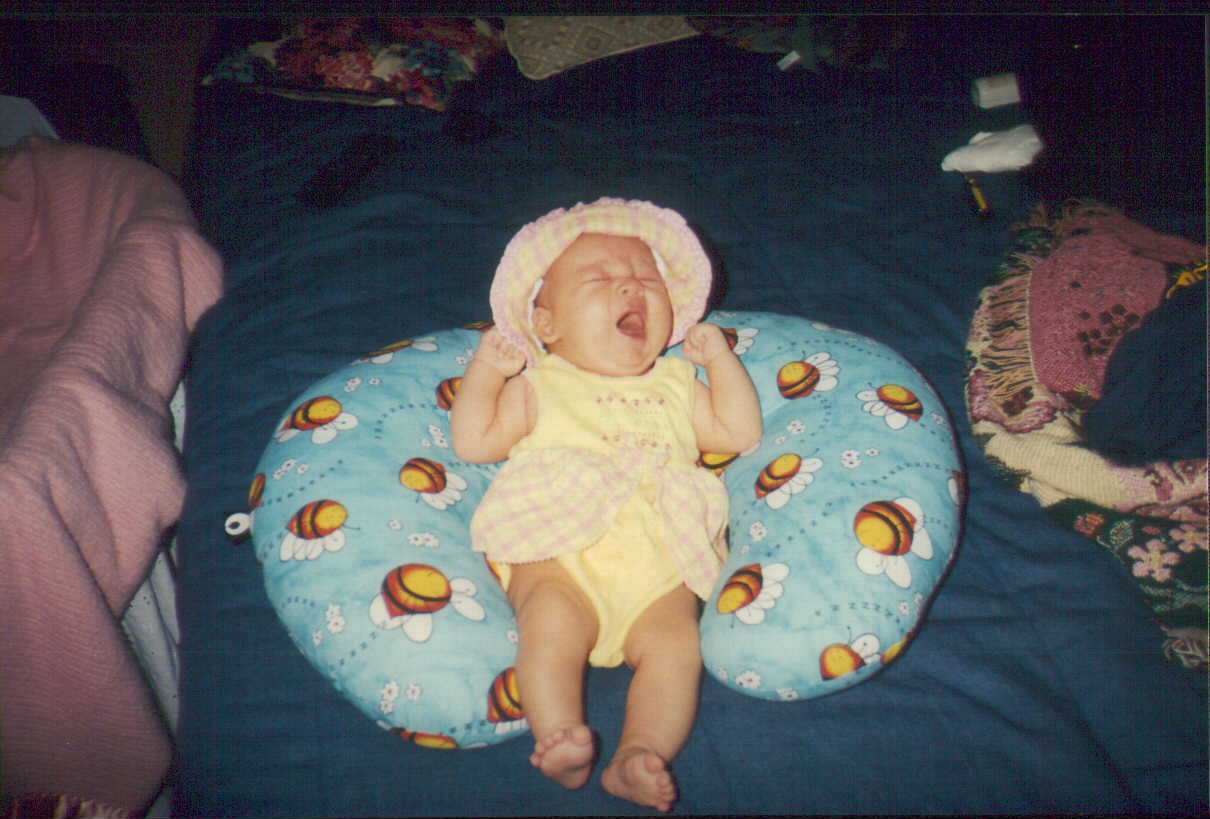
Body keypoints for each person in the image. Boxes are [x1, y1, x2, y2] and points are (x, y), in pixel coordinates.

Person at [451, 198, 762, 812]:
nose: (630, 285)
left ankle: (638, 754)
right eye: (599, 279)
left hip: (661, 562)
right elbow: (475, 441)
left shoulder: (676, 383)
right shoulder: (541, 383)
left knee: (678, 648)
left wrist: (721, 362)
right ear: (547, 326)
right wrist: (485, 371)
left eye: (648, 279)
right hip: (558, 549)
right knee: (550, 622)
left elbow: (738, 433)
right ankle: (559, 734)